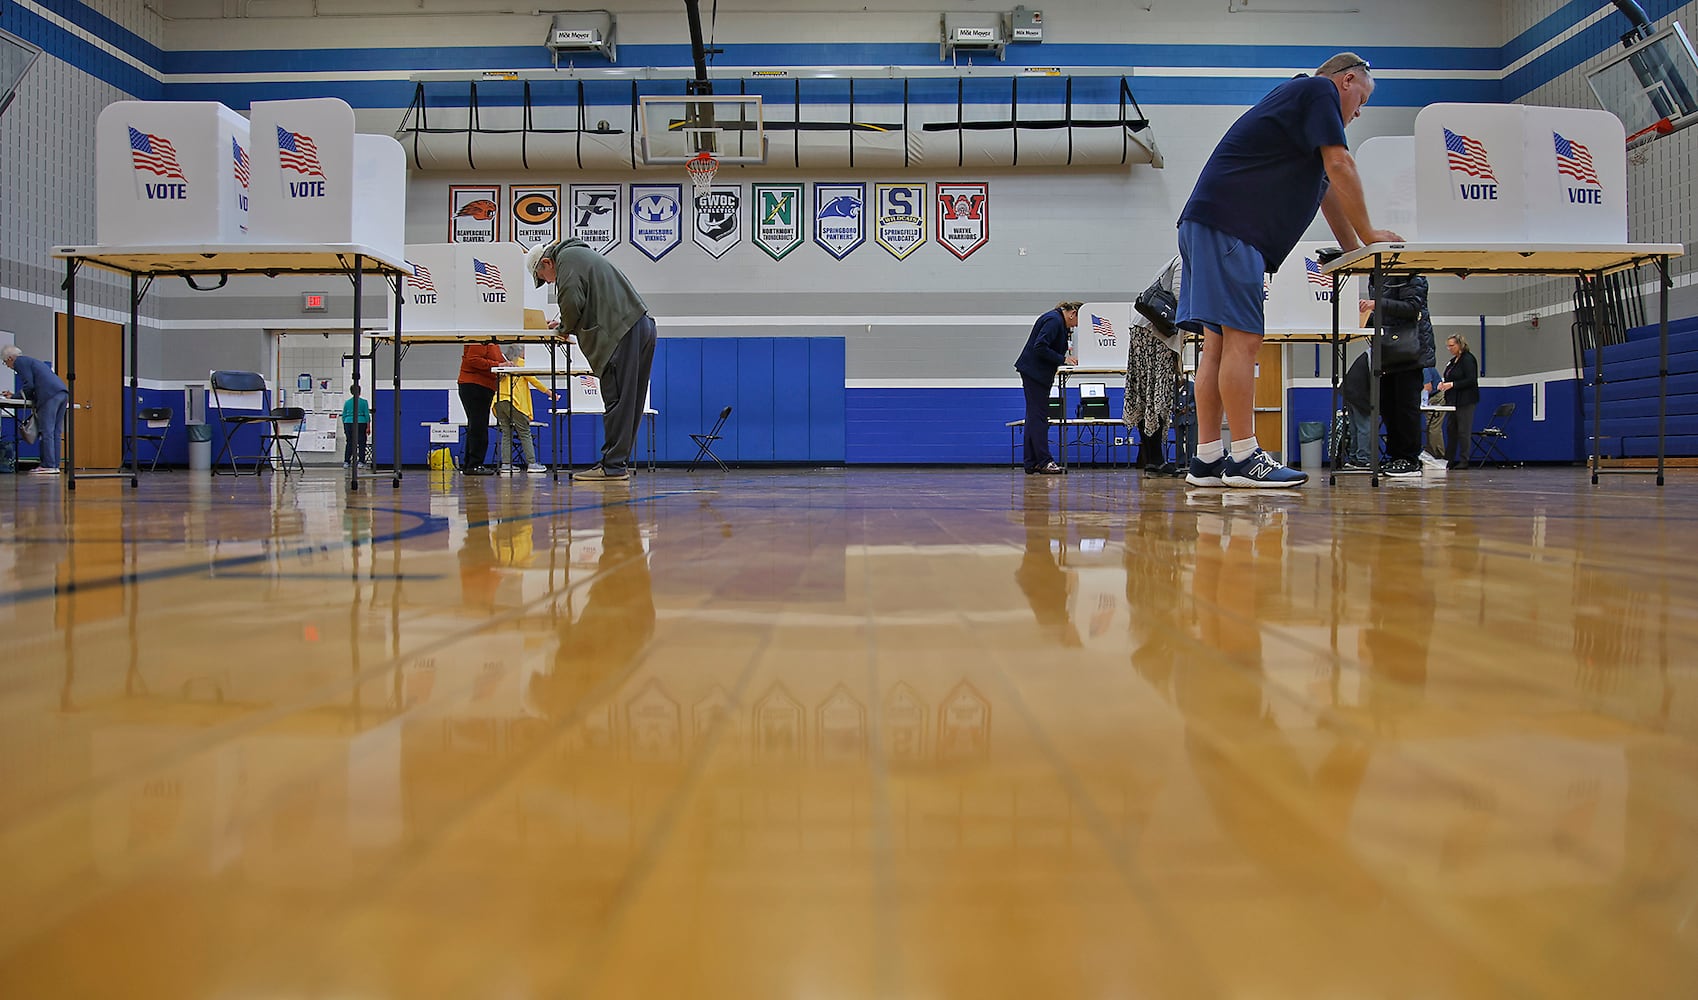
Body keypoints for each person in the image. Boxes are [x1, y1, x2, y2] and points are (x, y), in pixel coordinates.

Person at [1175, 52, 1402, 488]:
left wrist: (1353, 249)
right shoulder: (1318, 90)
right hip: (1230, 227)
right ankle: (1243, 457)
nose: (1359, 112)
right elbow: (1341, 166)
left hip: (1207, 225)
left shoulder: (1298, 115)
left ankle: (1206, 459)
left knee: (1217, 346)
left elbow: (1326, 189)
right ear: (1347, 80)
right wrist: (1372, 232)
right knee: (1245, 339)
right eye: (1362, 100)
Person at [526, 237, 657, 483]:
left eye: (545, 278)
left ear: (547, 262)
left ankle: (612, 467)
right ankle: (616, 463)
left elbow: (572, 300)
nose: (549, 282)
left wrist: (564, 327)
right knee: (630, 402)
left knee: (617, 399)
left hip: (620, 332)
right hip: (640, 326)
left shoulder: (566, 259)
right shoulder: (581, 256)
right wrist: (566, 323)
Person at [1359, 274, 1434, 478]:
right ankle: (1396, 457)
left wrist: (1376, 304)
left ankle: (1409, 459)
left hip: (1409, 350)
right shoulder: (1377, 275)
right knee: (1388, 406)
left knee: (1405, 407)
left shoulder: (1412, 274)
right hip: (1388, 350)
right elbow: (1386, 314)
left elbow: (1412, 308)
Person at [1014, 300, 1081, 475]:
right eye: (1077, 321)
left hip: (1034, 373)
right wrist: (1063, 359)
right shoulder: (1054, 321)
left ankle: (1032, 462)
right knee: (1039, 418)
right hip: (1035, 373)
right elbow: (1040, 346)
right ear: (1072, 313)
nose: (1076, 326)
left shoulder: (1055, 319)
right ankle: (1044, 461)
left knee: (1033, 417)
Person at [1, 345, 69, 476]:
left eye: (5, 362)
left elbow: (29, 385)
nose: (8, 366)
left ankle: (47, 465)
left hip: (48, 395)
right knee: (55, 432)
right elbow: (33, 386)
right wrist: (16, 394)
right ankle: (54, 465)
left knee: (46, 431)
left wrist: (14, 396)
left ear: (10, 358)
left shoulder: (19, 362)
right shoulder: (31, 361)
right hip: (61, 392)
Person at [493, 345, 556, 473]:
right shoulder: (522, 364)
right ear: (520, 352)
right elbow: (534, 381)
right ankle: (532, 463)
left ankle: (506, 464)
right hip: (514, 401)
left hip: (498, 401)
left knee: (506, 433)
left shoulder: (504, 365)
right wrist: (551, 393)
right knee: (524, 432)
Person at [457, 339, 505, 476]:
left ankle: (470, 464)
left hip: (481, 385)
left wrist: (503, 365)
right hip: (476, 385)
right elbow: (473, 359)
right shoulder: (481, 339)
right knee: (478, 426)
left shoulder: (492, 342)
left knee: (476, 426)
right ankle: (474, 464)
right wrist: (498, 365)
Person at [1438, 334, 1480, 469]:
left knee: (1463, 430)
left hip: (1465, 400)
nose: (1449, 348)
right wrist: (1444, 384)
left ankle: (1464, 459)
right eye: (1448, 346)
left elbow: (1471, 380)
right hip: (1453, 400)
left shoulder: (1468, 359)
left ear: (1459, 345)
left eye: (1451, 345)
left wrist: (1453, 385)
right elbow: (1449, 376)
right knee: (1451, 430)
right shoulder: (1453, 361)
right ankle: (1449, 459)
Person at [341, 384, 371, 469]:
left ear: (351, 392)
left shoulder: (347, 402)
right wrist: (368, 427)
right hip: (361, 423)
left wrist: (345, 427)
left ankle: (346, 462)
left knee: (350, 442)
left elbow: (343, 416)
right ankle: (361, 462)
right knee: (361, 443)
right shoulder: (364, 402)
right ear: (360, 392)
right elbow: (366, 415)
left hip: (348, 423)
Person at [1422, 362, 1447, 462]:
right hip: (1431, 397)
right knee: (1431, 426)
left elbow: (1427, 387)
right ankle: (1433, 452)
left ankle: (1438, 455)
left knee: (1433, 426)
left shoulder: (1424, 367)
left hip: (1436, 397)